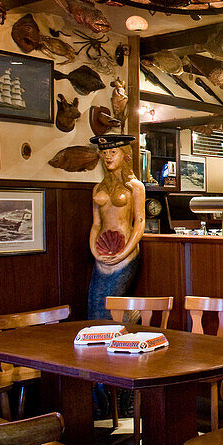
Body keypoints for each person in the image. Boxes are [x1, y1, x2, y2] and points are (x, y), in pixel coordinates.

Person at [86, 134, 146, 321]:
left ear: (125, 155)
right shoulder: (98, 188)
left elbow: (140, 222)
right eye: (104, 152)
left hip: (125, 252)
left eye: (113, 151)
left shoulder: (135, 187)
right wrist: (94, 251)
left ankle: (128, 325)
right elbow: (96, 224)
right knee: (95, 303)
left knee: (112, 303)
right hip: (102, 253)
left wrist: (124, 252)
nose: (108, 156)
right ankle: (104, 340)